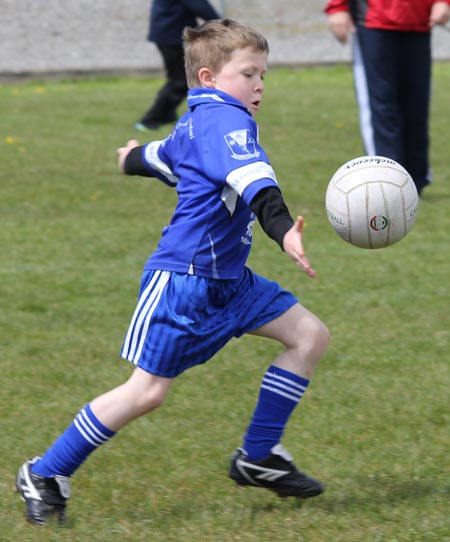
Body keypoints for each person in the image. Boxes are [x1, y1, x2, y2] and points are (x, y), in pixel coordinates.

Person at [16, 19, 330, 526]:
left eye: (263, 74)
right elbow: (258, 185)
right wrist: (283, 232)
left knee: (309, 336)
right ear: (208, 78)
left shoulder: (197, 121)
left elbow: (163, 158)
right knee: (147, 392)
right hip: (183, 282)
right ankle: (46, 473)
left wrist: (128, 159)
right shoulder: (226, 124)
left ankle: (258, 457)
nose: (259, 85)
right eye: (248, 73)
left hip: (230, 280)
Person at [324, 0, 450, 195]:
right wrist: (338, 7)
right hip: (374, 21)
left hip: (419, 21)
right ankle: (386, 181)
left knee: (416, 108)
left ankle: (415, 181)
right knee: (381, 108)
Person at [135, 0, 220, 132]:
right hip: (172, 36)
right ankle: (150, 120)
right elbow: (200, 6)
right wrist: (223, 25)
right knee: (180, 81)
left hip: (168, 34)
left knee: (177, 79)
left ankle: (167, 115)